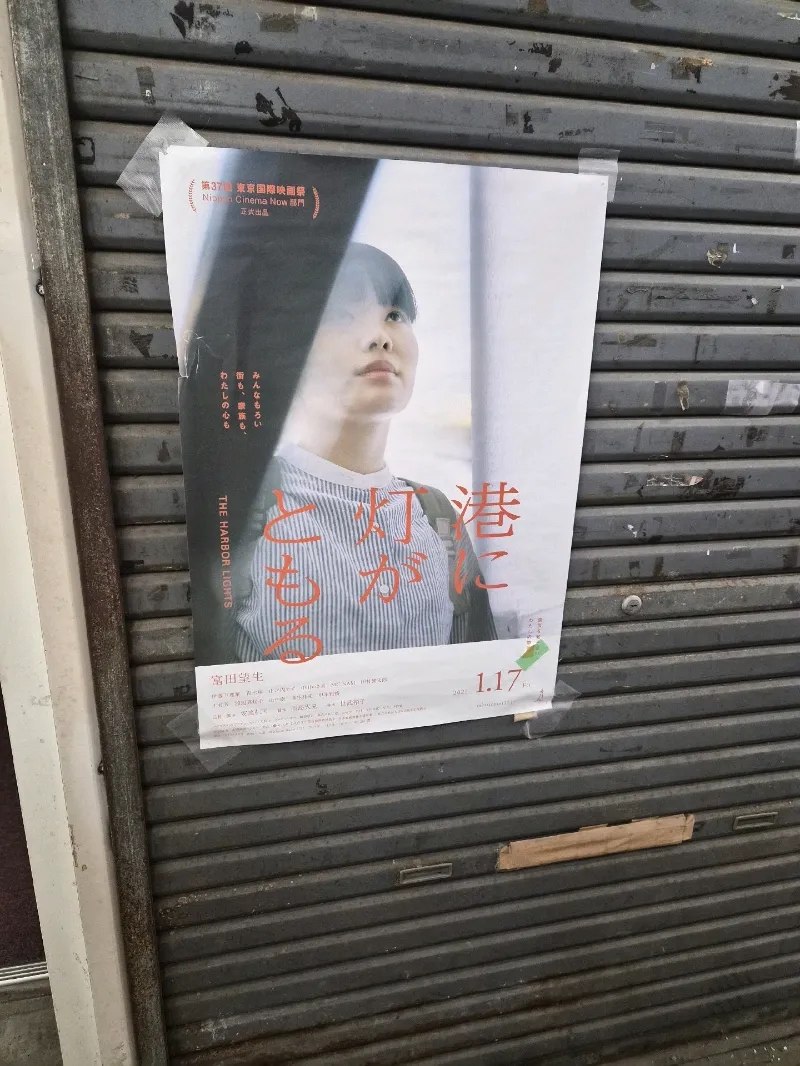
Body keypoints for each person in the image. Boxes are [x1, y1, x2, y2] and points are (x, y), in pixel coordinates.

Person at [233, 242, 496, 663]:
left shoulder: (437, 517)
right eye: (341, 315)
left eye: (394, 315)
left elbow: (480, 671)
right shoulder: (241, 508)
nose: (380, 337)